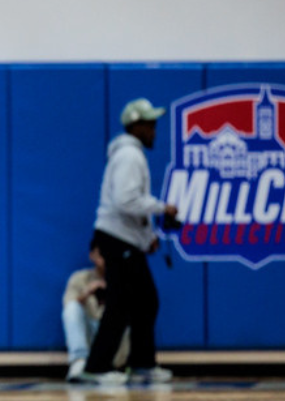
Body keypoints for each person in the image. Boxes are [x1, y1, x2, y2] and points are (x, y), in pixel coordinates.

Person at [78, 98, 178, 385]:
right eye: (150, 125)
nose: (154, 131)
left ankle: (142, 364)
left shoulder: (131, 155)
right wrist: (163, 208)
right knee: (121, 303)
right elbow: (125, 201)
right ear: (137, 126)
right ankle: (96, 368)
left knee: (145, 301)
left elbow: (130, 206)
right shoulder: (129, 156)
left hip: (124, 239)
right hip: (116, 239)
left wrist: (147, 238)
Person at [62, 240, 129, 382]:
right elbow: (69, 306)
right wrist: (87, 292)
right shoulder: (79, 278)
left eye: (108, 254)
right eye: (101, 254)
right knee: (72, 308)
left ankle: (117, 365)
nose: (104, 259)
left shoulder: (124, 279)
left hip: (116, 341)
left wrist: (111, 291)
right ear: (92, 255)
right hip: (90, 334)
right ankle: (79, 362)